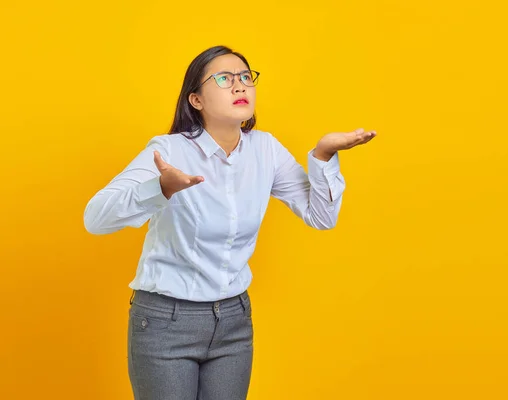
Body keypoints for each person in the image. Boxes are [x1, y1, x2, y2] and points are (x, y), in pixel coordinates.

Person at [83, 45, 376, 400]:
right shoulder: (169, 151)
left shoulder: (265, 149)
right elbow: (95, 218)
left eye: (246, 77)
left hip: (234, 323)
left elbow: (321, 216)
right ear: (196, 99)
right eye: (224, 78)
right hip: (165, 323)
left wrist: (324, 156)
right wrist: (159, 188)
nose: (240, 86)